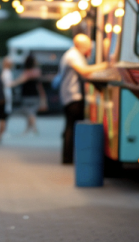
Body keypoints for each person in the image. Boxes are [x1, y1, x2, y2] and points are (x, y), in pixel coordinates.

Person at [58, 33, 108, 164]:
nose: (89, 50)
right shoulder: (73, 56)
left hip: (70, 96)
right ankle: (68, 158)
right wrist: (106, 65)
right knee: (72, 127)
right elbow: (84, 71)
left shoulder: (73, 55)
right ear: (81, 46)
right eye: (87, 47)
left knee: (71, 126)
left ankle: (68, 157)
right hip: (72, 96)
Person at [14, 54, 46, 135]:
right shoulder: (37, 71)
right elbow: (39, 85)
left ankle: (34, 128)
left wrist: (10, 84)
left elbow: (18, 81)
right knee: (31, 112)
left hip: (27, 94)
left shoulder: (26, 72)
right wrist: (42, 96)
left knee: (29, 112)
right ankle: (28, 129)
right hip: (34, 94)